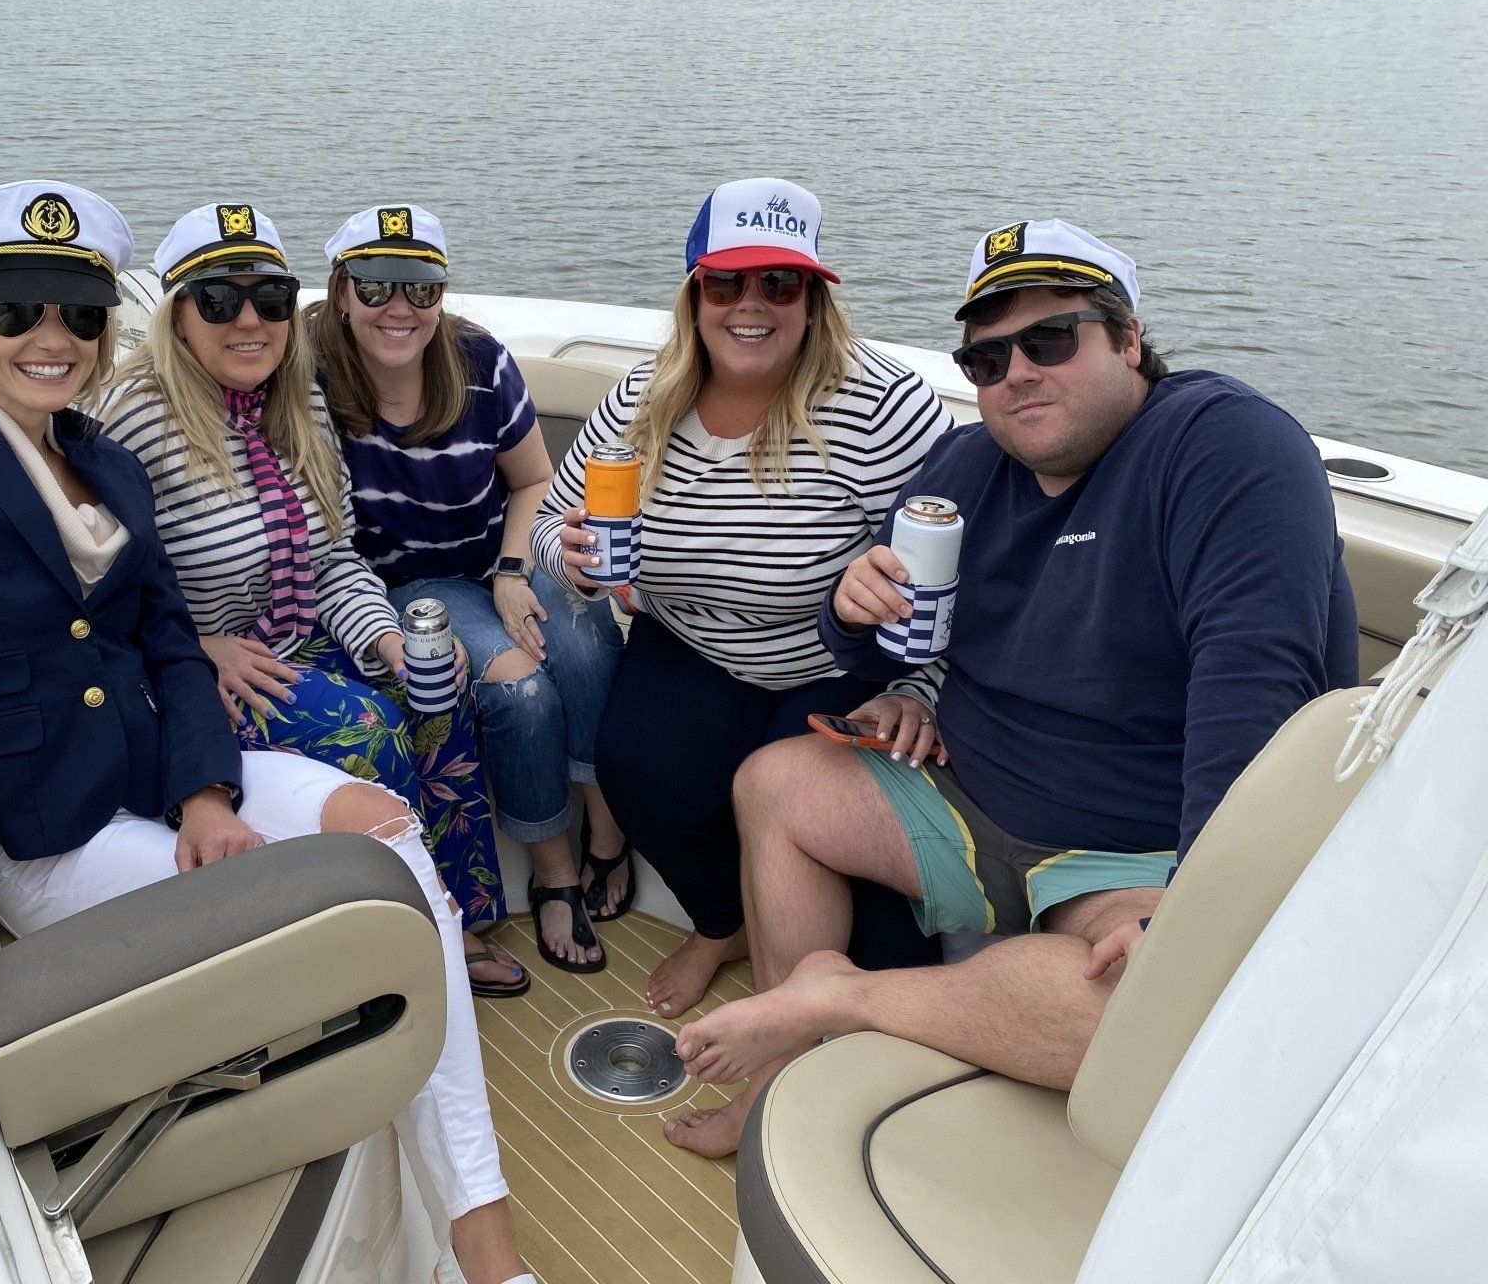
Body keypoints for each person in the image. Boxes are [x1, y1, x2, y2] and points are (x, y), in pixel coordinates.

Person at [0, 181, 534, 1284]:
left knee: (389, 831)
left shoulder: (104, 462)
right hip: (58, 832)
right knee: (370, 908)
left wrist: (206, 796)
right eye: (17, 310)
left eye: (81, 315)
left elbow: (169, 645)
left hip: (161, 774)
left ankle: (479, 1236)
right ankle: (486, 1254)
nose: (52, 339)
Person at [668, 218, 1359, 1159]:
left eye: (1050, 340)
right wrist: (850, 612)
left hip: (1130, 849)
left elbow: (1254, 688)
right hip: (968, 799)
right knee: (773, 783)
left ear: (1128, 339)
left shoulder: (1223, 445)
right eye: (987, 359)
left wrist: (1192, 904)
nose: (1017, 374)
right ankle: (776, 1084)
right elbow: (880, 654)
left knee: (1156, 1011)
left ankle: (838, 999)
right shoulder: (966, 469)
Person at [532, 178, 953, 1022]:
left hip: (836, 661)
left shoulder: (882, 407)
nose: (750, 304)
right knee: (641, 776)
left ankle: (830, 1014)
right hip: (692, 640)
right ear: (694, 294)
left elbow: (953, 568)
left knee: (881, 923)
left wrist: (919, 688)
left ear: (813, 298)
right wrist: (570, 559)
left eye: (780, 282)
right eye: (726, 282)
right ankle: (722, 924)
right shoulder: (643, 399)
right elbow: (550, 517)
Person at [101, 202, 526, 997]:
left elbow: (332, 559)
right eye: (218, 300)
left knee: (439, 685)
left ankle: (458, 912)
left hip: (296, 636)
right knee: (369, 729)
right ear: (178, 315)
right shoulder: (133, 420)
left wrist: (391, 644)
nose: (249, 320)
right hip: (195, 674)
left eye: (269, 298)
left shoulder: (296, 400)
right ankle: (401, 931)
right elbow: (96, 591)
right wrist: (196, 646)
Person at [308, 203, 627, 974]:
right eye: (375, 285)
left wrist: (513, 573)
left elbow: (534, 480)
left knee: (586, 639)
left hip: (498, 551)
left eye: (421, 287)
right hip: (403, 580)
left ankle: (609, 832)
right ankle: (555, 875)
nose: (399, 307)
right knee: (521, 690)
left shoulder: (478, 360)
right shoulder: (309, 376)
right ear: (342, 290)